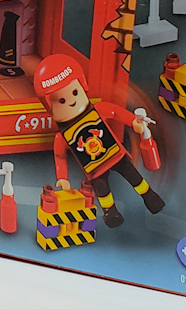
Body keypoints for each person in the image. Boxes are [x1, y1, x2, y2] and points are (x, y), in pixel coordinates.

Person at [33, 53, 164, 227]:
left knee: (133, 175)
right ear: (50, 106)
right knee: (102, 188)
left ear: (82, 86)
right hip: (94, 169)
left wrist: (134, 122)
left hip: (115, 155)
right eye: (61, 100)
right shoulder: (62, 136)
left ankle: (149, 196)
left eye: (75, 92)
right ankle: (110, 212)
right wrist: (63, 177)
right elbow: (60, 156)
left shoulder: (98, 110)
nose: (71, 102)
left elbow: (117, 113)